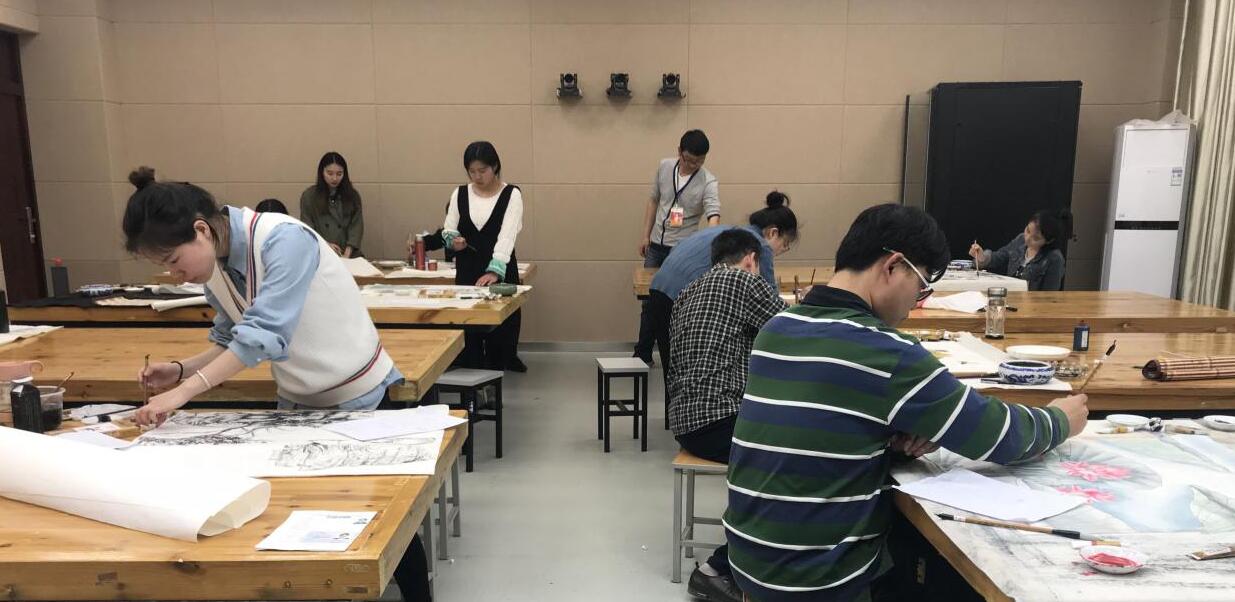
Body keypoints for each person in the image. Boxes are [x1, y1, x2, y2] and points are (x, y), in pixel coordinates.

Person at [724, 204, 1089, 601]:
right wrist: (1060, 419)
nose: (916, 302)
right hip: (821, 580)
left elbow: (818, 427)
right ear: (894, 266)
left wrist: (890, 437)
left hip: (749, 563)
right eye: (921, 286)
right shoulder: (886, 351)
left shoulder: (778, 329)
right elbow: (998, 435)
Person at [120, 167, 429, 600]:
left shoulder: (283, 240)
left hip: (357, 394)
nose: (176, 275)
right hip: (298, 400)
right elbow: (232, 337)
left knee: (379, 514)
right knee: (306, 516)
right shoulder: (216, 266)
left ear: (202, 230)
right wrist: (181, 370)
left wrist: (184, 393)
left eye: (173, 261)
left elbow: (263, 335)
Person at [668, 228, 787, 602]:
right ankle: (718, 569)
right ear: (751, 259)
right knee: (791, 464)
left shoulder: (688, 290)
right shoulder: (743, 281)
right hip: (719, 418)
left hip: (687, 422)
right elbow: (794, 331)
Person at [645, 191, 797, 374]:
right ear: (773, 233)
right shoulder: (757, 245)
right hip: (677, 296)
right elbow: (770, 304)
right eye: (785, 245)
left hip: (659, 289)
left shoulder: (728, 232)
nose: (780, 252)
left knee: (674, 370)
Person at [634, 129, 720, 364]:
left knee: (676, 304)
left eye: (699, 161)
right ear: (679, 152)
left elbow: (713, 213)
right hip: (656, 244)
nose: (693, 165)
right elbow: (653, 200)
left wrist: (711, 243)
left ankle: (676, 357)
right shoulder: (665, 167)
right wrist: (645, 235)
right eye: (689, 160)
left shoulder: (708, 181)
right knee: (648, 301)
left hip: (682, 251)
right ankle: (642, 352)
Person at [441, 141, 525, 372]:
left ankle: (495, 382)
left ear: (495, 166)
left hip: (501, 271)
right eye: (472, 171)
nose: (477, 176)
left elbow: (508, 235)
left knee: (500, 338)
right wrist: (453, 241)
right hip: (467, 271)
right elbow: (448, 229)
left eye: (482, 170)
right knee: (470, 338)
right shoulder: (460, 193)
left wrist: (494, 271)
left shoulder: (511, 194)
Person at [968, 209, 1071, 291]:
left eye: (1036, 238)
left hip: (1032, 306)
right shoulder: (1021, 240)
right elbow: (1000, 256)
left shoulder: (1054, 258)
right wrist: (982, 257)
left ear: (1048, 241)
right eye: (1028, 230)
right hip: (1010, 298)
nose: (1027, 238)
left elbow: (1049, 296)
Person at [299, 151, 365, 258]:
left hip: (348, 253)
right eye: (330, 173)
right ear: (322, 172)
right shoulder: (309, 196)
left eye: (339, 174)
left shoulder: (352, 196)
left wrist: (347, 254)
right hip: (320, 252)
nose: (334, 178)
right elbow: (308, 229)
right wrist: (325, 245)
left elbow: (356, 228)